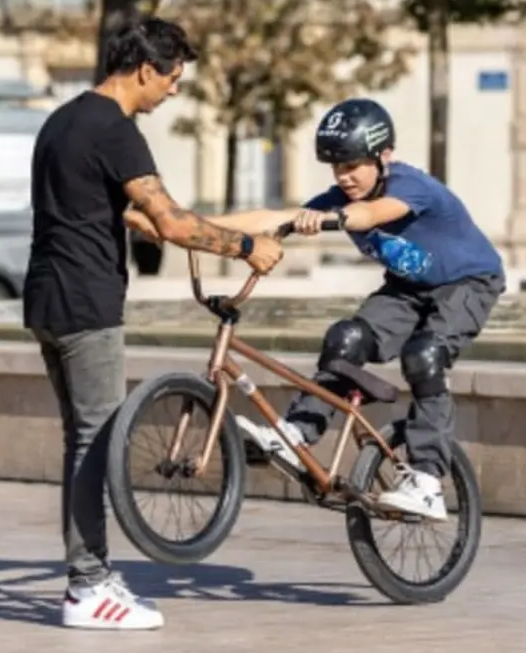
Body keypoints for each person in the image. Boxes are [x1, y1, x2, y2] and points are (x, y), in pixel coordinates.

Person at [24, 15, 283, 632]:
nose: (173, 90)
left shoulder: (62, 121)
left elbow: (124, 218)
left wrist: (214, 229)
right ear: (146, 69)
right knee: (94, 441)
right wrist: (247, 247)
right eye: (173, 78)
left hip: (46, 299)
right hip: (88, 306)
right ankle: (88, 585)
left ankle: (89, 575)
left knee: (81, 440)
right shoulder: (117, 131)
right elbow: (167, 222)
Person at [209, 98, 505, 520]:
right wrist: (184, 225)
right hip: (407, 289)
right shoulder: (338, 196)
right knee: (345, 338)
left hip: (469, 282)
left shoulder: (411, 185)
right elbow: (274, 217)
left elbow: (371, 214)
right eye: (336, 169)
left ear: (383, 157)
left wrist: (334, 219)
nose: (344, 177)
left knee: (424, 355)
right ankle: (298, 435)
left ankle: (426, 481)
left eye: (353, 166)